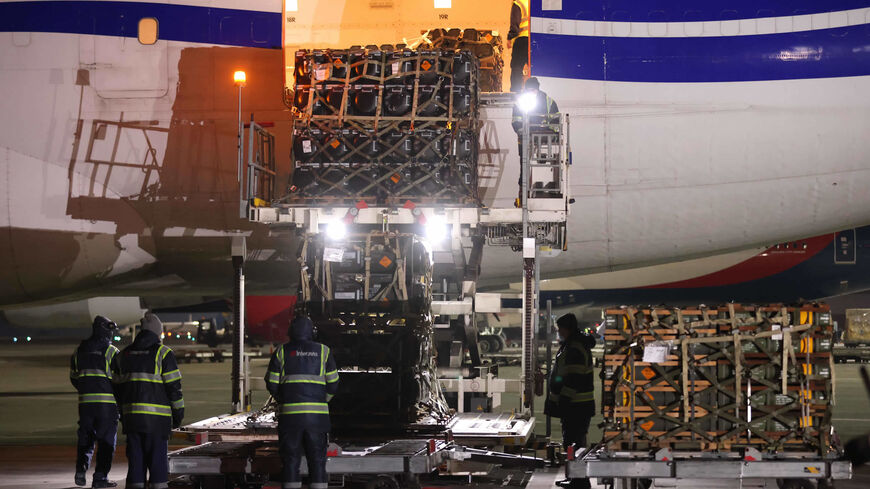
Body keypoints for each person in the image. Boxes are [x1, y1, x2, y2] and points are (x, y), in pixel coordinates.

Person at [111, 313, 184, 489]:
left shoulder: (123, 355)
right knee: (158, 464)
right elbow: (174, 389)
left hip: (132, 420)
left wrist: (123, 414)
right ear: (157, 333)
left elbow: (117, 389)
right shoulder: (163, 353)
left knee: (135, 463)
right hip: (157, 422)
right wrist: (178, 415)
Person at [266, 316, 339, 489]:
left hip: (290, 418)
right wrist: (323, 401)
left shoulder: (281, 351)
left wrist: (283, 401)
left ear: (291, 332)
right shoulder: (324, 351)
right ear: (313, 332)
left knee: (291, 461)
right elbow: (334, 384)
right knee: (318, 461)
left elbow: (272, 384)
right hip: (317, 419)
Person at [545, 312, 595, 489]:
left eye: (560, 329)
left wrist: (563, 401)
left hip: (576, 406)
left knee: (575, 443)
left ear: (567, 329)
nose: (559, 332)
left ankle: (580, 481)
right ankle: (575, 478)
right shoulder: (572, 345)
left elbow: (573, 378)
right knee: (572, 442)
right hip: (577, 405)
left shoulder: (575, 348)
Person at [70, 316, 121, 488]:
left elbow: (74, 378)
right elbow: (120, 379)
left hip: (85, 405)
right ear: (105, 330)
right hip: (106, 406)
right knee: (106, 443)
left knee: (86, 438)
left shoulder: (79, 351)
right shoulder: (111, 351)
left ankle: (80, 469)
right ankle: (100, 478)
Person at [512, 77, 560, 205]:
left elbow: (556, 122)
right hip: (526, 140)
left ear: (537, 89)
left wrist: (547, 131)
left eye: (533, 90)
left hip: (545, 141)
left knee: (545, 166)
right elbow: (516, 121)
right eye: (529, 90)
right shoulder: (520, 102)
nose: (531, 92)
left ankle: (549, 189)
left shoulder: (548, 102)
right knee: (524, 167)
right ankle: (523, 194)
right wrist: (524, 132)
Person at [508, 0, 530, 92]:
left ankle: (515, 91)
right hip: (534, 39)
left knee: (517, 66)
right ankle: (535, 89)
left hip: (521, 39)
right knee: (535, 66)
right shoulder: (533, 3)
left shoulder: (518, 3)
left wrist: (510, 37)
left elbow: (515, 24)